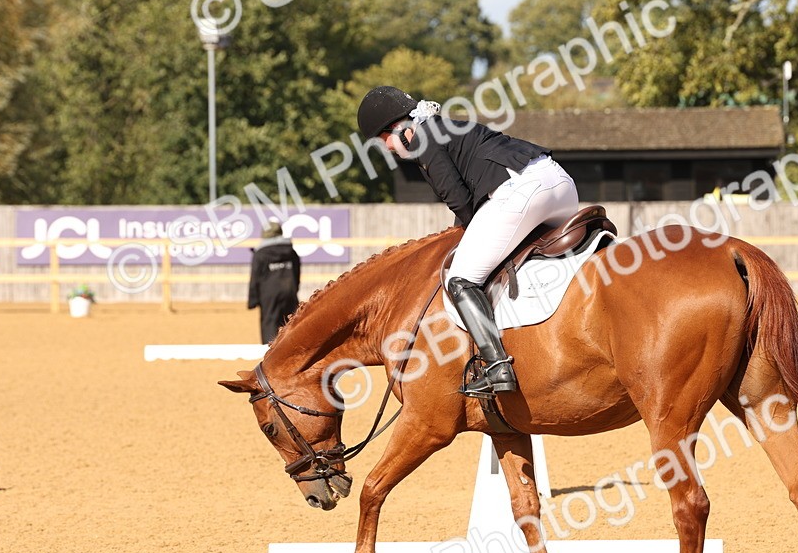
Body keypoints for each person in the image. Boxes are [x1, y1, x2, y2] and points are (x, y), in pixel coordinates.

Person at [357, 86, 579, 396]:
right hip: (561, 184)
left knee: (460, 278)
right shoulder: (444, 128)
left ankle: (498, 366)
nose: (389, 149)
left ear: (398, 127)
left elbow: (459, 201)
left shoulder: (424, 138)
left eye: (384, 141)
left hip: (523, 190)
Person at [248, 217, 302, 344]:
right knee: (291, 322)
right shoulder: (291, 251)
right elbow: (297, 272)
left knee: (270, 322)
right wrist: (295, 288)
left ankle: (270, 353)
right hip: (289, 290)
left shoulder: (260, 254)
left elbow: (255, 277)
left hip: (269, 294)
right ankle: (290, 351)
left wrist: (253, 300)